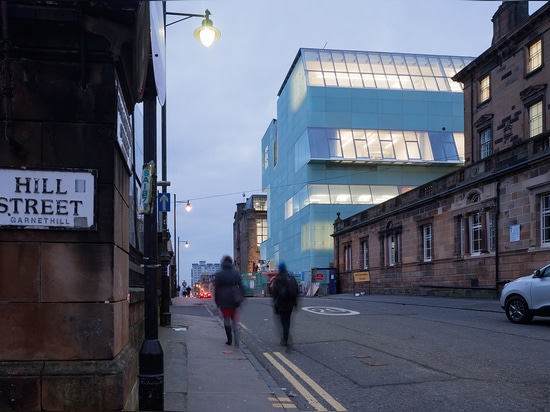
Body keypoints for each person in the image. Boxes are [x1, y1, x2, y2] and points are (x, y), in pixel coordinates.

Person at [214, 255, 244, 348]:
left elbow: (216, 289)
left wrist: (217, 301)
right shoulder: (235, 273)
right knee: (235, 320)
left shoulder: (220, 274)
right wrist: (242, 297)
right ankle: (237, 341)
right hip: (234, 299)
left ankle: (229, 339)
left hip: (223, 299)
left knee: (226, 319)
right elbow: (241, 286)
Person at [272, 262, 299, 348]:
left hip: (281, 304)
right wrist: (295, 303)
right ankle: (286, 337)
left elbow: (274, 293)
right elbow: (297, 291)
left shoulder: (278, 279)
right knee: (287, 321)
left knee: (282, 322)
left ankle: (285, 339)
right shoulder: (291, 278)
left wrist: (274, 304)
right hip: (290, 304)